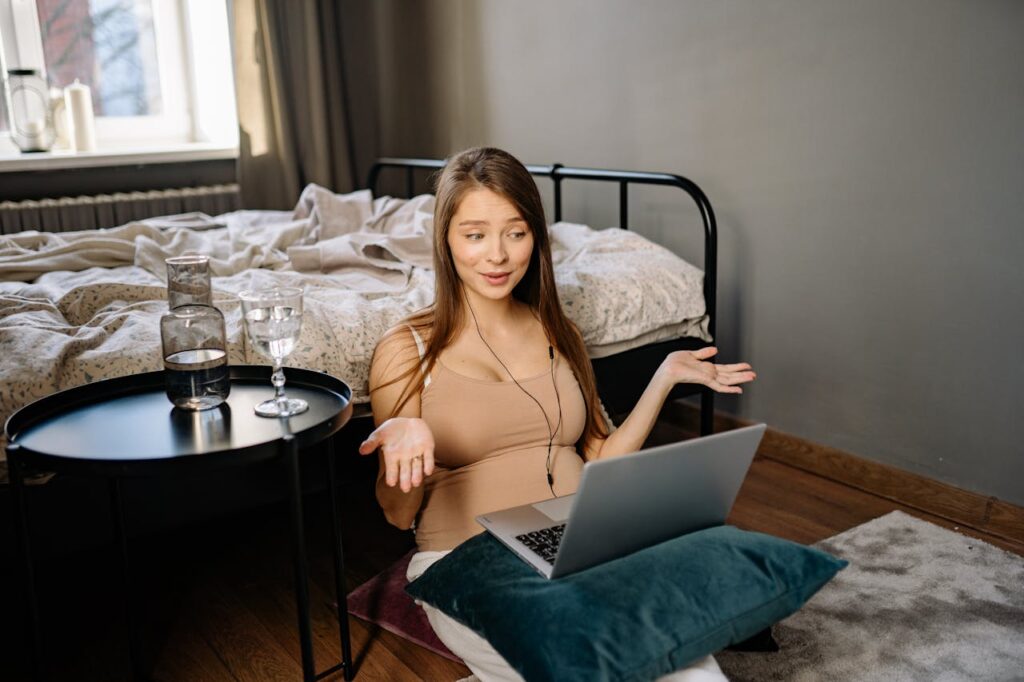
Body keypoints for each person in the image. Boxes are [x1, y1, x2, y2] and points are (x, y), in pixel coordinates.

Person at [359, 147, 756, 682]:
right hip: (468, 560)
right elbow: (397, 514)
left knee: (688, 666)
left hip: (580, 541)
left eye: (515, 233)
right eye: (475, 234)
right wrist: (406, 446)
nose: (497, 255)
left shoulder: (557, 331)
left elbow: (600, 456)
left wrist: (661, 378)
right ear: (446, 239)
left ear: (536, 237)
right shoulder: (407, 349)